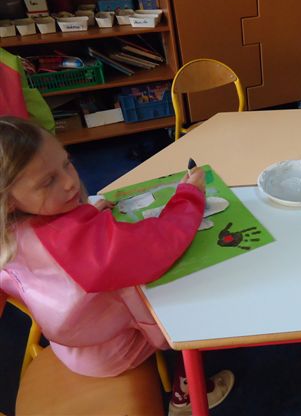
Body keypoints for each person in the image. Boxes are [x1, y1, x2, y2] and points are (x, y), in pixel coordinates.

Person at [0, 116, 234, 415]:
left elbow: (56, 246)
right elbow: (160, 243)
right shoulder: (77, 245)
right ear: (8, 199)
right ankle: (185, 393)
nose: (70, 182)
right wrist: (190, 196)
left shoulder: (9, 233)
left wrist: (85, 215)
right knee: (197, 305)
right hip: (112, 353)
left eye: (67, 163)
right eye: (48, 182)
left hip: (71, 345)